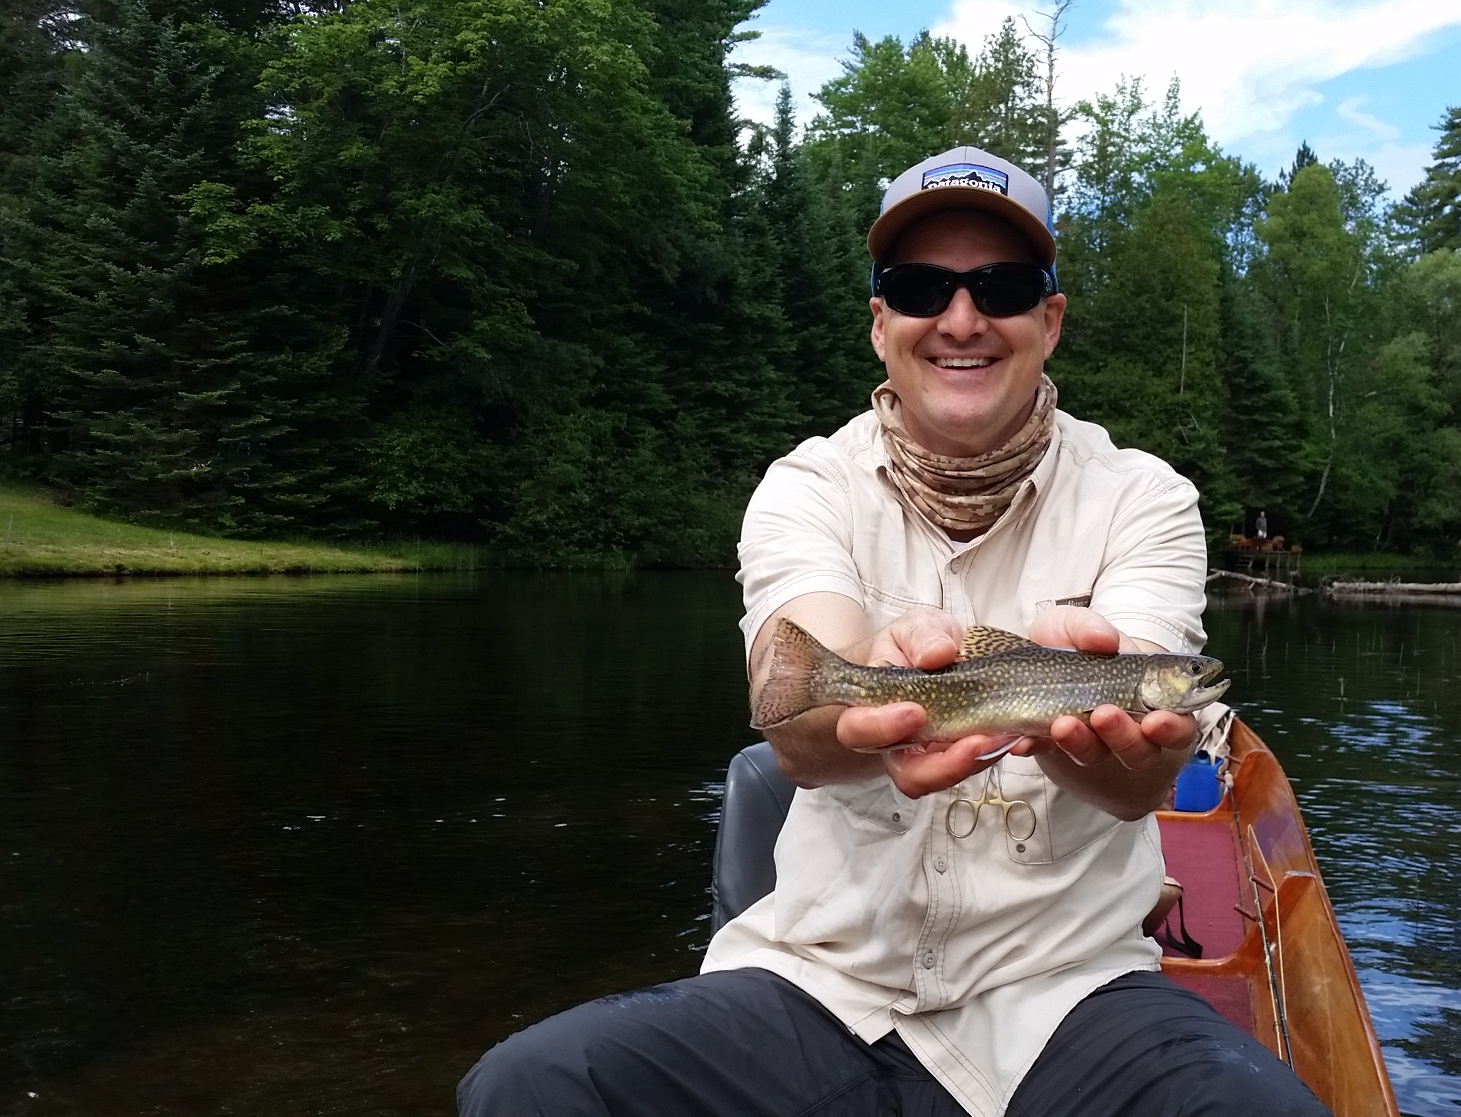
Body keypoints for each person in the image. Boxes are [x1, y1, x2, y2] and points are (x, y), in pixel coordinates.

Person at [457, 148, 1330, 1117]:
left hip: (1067, 991)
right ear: (881, 326)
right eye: (920, 288)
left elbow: (1136, 786)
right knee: (528, 1085)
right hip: (822, 982)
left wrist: (1118, 757)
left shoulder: (1146, 499)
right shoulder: (806, 486)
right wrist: (859, 701)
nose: (961, 320)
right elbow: (790, 719)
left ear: (1049, 320)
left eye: (1000, 287)